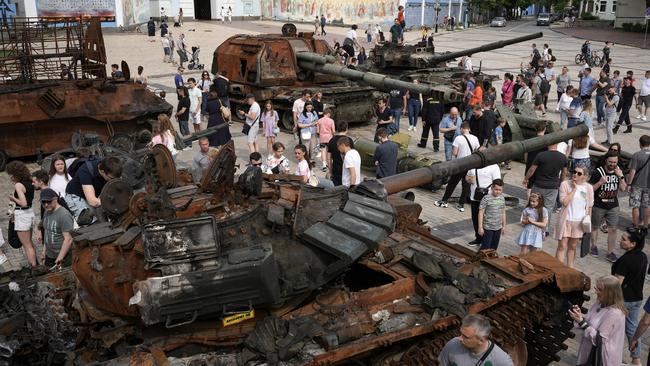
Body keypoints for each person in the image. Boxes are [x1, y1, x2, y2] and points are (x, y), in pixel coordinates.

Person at [569, 275, 626, 366]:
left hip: (602, 358)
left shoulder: (615, 313)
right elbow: (587, 324)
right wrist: (578, 316)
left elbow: (599, 339)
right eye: (596, 288)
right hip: (588, 352)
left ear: (610, 293)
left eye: (600, 290)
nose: (596, 292)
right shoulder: (598, 303)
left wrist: (581, 322)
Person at [611, 228, 647, 365]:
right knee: (632, 328)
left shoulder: (625, 260)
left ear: (633, 244)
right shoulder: (643, 256)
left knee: (613, 328)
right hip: (637, 299)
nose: (620, 241)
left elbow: (616, 284)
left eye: (624, 239)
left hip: (623, 300)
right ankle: (636, 359)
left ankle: (610, 356)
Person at [554, 165, 593, 268]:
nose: (575, 174)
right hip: (566, 220)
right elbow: (564, 202)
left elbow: (589, 206)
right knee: (562, 246)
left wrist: (588, 221)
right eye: (574, 172)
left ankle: (570, 268)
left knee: (573, 246)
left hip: (579, 222)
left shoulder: (588, 188)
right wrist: (574, 189)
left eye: (579, 173)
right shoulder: (565, 184)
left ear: (584, 176)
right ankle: (559, 269)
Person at [590, 152, 627, 261]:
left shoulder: (618, 171)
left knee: (613, 229)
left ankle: (610, 252)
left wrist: (621, 177)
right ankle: (593, 246)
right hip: (598, 205)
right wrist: (600, 182)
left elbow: (623, 189)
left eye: (615, 162)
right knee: (595, 227)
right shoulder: (598, 172)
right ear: (606, 160)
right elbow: (590, 189)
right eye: (610, 162)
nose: (612, 164)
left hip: (613, 206)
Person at [435, 123, 480, 212]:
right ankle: (461, 205)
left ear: (462, 129)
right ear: (469, 129)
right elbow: (477, 151)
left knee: (452, 184)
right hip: (470, 165)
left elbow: (454, 153)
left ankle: (444, 201)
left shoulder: (459, 138)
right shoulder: (475, 138)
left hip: (460, 165)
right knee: (466, 186)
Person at [64, 156, 122, 225]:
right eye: (112, 178)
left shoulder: (110, 167)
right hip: (76, 196)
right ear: (103, 172)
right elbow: (93, 202)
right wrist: (115, 201)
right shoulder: (86, 171)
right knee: (90, 221)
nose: (114, 181)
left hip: (96, 192)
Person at [438, 314, 513, 366]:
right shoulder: (453, 344)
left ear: (481, 340)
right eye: (461, 333)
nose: (460, 339)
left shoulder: (502, 361)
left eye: (466, 337)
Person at [523, 142, 568, 224]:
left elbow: (532, 169)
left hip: (539, 184)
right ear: (557, 144)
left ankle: (532, 222)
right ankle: (544, 227)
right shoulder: (563, 157)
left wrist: (526, 178)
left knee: (535, 204)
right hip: (553, 186)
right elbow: (564, 173)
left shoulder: (541, 155)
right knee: (548, 208)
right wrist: (560, 183)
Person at [6, 161, 37, 267]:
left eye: (11, 175)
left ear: (16, 174)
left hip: (22, 215)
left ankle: (34, 268)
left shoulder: (19, 185)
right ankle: (35, 264)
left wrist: (13, 198)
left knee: (27, 245)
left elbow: (23, 203)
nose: (11, 178)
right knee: (29, 243)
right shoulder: (30, 181)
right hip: (30, 213)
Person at [466, 163, 501, 246]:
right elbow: (467, 176)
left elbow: (497, 182)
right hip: (475, 197)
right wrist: (469, 179)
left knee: (486, 219)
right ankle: (479, 238)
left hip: (488, 198)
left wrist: (495, 197)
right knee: (475, 218)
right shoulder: (474, 163)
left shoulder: (494, 166)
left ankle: (486, 241)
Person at [38, 188, 74, 268]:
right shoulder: (46, 212)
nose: (46, 204)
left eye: (49, 201)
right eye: (43, 202)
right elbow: (47, 232)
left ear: (55, 199)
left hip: (63, 257)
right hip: (49, 256)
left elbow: (68, 239)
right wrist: (44, 251)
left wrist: (60, 258)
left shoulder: (64, 215)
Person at [628, 135, 650, 231]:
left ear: (640, 143)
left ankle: (636, 225)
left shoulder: (636, 155)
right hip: (648, 185)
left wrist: (629, 184)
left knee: (635, 205)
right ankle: (645, 226)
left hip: (637, 184)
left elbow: (632, 171)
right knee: (647, 206)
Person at [477, 179, 506, 251]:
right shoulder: (486, 198)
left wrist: (504, 226)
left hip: (498, 228)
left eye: (500, 190)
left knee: (493, 249)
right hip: (488, 228)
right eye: (496, 189)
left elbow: (503, 213)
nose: (498, 191)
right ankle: (480, 260)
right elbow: (481, 213)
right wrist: (480, 227)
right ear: (492, 188)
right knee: (485, 248)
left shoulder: (502, 198)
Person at [327, 121, 354, 186]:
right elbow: (352, 156)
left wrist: (330, 170)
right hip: (347, 169)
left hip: (336, 169)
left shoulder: (332, 140)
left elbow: (328, 158)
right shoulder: (349, 140)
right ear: (346, 129)